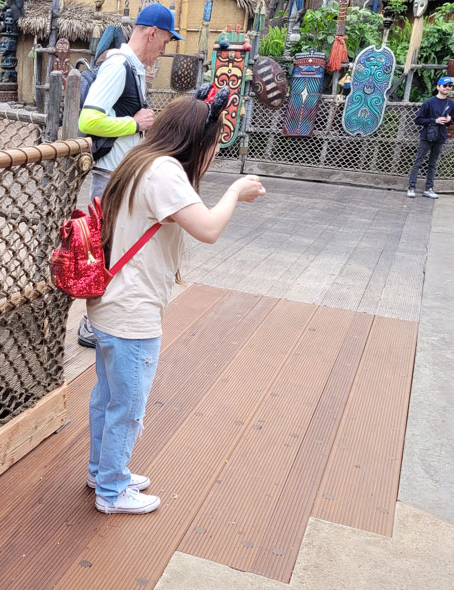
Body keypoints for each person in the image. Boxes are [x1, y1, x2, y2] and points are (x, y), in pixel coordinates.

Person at [86, 88, 266, 514]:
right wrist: (236, 192)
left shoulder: (140, 159)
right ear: (197, 140)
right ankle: (111, 492)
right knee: (127, 408)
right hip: (132, 311)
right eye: (215, 143)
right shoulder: (165, 172)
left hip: (111, 303)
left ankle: (103, 470)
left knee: (107, 398)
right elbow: (206, 228)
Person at [75, 4, 181, 350]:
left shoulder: (130, 67)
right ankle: (91, 324)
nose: (164, 50)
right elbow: (88, 121)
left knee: (112, 247)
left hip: (119, 175)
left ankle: (98, 322)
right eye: (164, 41)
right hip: (109, 176)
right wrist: (134, 124)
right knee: (104, 248)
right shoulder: (118, 66)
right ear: (152, 33)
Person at [407, 77, 454, 200]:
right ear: (438, 87)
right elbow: (418, 120)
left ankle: (429, 188)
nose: (447, 88)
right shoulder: (429, 102)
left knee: (433, 163)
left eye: (450, 85)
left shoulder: (451, 104)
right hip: (427, 136)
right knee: (419, 161)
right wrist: (434, 120)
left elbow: (452, 121)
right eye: (445, 85)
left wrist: (449, 121)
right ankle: (411, 187)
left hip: (440, 136)